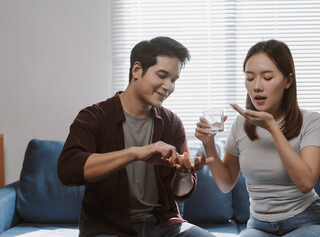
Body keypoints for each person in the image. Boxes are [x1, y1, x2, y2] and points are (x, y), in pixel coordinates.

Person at [58, 36, 215, 237]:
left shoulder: (172, 123)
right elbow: (68, 170)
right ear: (137, 70)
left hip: (163, 225)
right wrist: (135, 153)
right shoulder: (94, 117)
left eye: (173, 79)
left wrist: (184, 174)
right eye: (162, 75)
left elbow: (179, 193)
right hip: (108, 228)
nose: (169, 86)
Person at [195, 39, 320, 237]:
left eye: (267, 77)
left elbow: (306, 183)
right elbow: (226, 183)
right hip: (259, 226)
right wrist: (208, 143)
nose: (257, 86)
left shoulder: (311, 121)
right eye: (250, 77)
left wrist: (272, 127)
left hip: (307, 221)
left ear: (288, 81)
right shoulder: (240, 124)